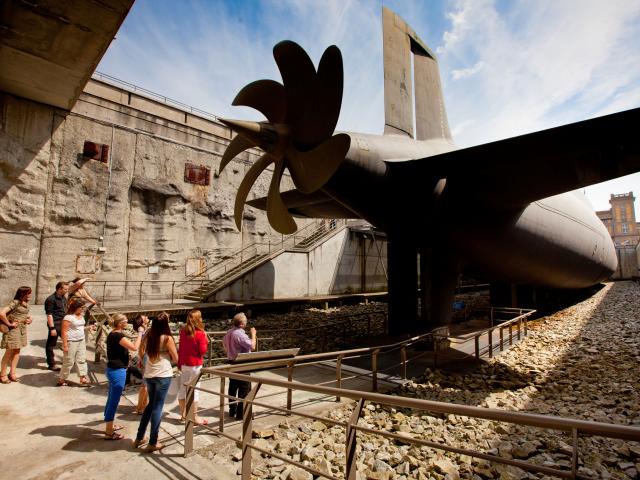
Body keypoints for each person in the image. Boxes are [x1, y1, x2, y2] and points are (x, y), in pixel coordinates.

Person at [134, 311, 178, 452]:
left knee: (150, 405)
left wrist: (144, 360)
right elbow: (176, 358)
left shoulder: (148, 334)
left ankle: (139, 437)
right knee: (158, 407)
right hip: (163, 373)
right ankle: (153, 442)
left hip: (150, 373)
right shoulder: (167, 338)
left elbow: (141, 351)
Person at [104, 314, 146, 440]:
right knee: (113, 402)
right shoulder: (118, 335)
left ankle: (109, 425)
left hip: (112, 369)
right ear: (120, 323)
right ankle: (109, 432)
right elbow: (134, 347)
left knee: (111, 399)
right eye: (125, 320)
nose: (128, 321)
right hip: (117, 371)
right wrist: (140, 333)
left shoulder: (112, 334)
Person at [222, 312, 256, 419]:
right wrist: (253, 334)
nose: (247, 322)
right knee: (244, 388)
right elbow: (253, 346)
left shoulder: (229, 332)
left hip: (232, 362)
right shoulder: (240, 334)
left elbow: (224, 344)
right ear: (241, 324)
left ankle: (232, 410)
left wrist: (230, 352)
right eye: (245, 320)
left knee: (233, 387)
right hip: (242, 363)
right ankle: (242, 414)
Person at [177, 309, 209, 425]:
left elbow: (180, 349)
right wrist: (205, 338)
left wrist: (179, 363)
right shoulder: (200, 334)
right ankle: (195, 418)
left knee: (183, 389)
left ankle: (183, 415)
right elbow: (202, 351)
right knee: (195, 391)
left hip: (184, 364)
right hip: (195, 365)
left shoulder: (182, 331)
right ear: (198, 319)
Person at [0, 286, 33, 383]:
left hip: (22, 330)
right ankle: (2, 374)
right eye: (29, 293)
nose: (30, 295)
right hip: (13, 331)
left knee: (17, 351)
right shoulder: (15, 302)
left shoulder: (26, 303)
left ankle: (12, 373)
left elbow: (24, 315)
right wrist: (9, 324)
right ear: (23, 294)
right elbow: (2, 313)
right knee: (9, 352)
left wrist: (29, 319)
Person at [58, 299, 93, 386]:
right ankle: (62, 379)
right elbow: (64, 332)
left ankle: (83, 378)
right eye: (81, 307)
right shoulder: (68, 317)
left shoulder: (81, 316)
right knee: (69, 361)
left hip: (81, 340)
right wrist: (65, 345)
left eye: (84, 307)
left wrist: (88, 327)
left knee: (81, 360)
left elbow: (79, 327)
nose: (83, 309)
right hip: (71, 341)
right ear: (75, 307)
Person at [44, 281, 68, 371]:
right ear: (59, 289)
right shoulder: (50, 299)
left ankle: (67, 360)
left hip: (64, 323)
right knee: (51, 344)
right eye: (65, 289)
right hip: (55, 324)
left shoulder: (63, 297)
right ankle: (51, 364)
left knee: (68, 341)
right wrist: (52, 328)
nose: (67, 290)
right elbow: (49, 315)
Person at [131, 314, 149, 414]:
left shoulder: (145, 330)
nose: (146, 317)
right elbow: (141, 347)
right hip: (147, 357)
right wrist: (142, 360)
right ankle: (140, 407)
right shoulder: (142, 331)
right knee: (145, 384)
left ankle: (143, 404)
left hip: (146, 357)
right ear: (142, 322)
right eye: (144, 317)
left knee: (146, 383)